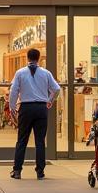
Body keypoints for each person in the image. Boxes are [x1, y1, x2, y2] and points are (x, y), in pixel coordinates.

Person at [8, 48, 61, 180]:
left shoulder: (20, 73)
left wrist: (12, 106)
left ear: (27, 57)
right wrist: (50, 100)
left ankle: (17, 171)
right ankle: (40, 171)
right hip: (41, 108)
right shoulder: (46, 73)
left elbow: (14, 91)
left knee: (22, 140)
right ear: (39, 58)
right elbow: (57, 89)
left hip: (26, 108)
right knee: (40, 141)